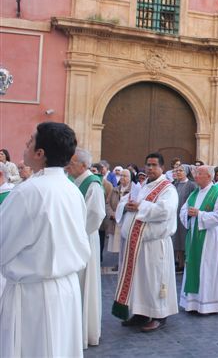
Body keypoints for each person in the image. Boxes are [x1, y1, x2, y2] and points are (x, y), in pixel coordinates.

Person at [0, 122, 91, 357]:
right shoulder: (71, 190)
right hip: (66, 290)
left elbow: (3, 244)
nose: (26, 144)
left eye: (30, 141)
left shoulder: (27, 192)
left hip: (32, 296)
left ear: (40, 154)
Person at [113, 152, 179, 332]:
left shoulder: (167, 189)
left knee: (155, 279)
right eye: (147, 165)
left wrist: (141, 206)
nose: (150, 168)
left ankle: (159, 315)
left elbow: (165, 211)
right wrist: (126, 206)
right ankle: (141, 312)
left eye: (154, 165)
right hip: (139, 243)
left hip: (155, 244)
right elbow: (128, 201)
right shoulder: (145, 186)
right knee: (141, 279)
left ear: (162, 168)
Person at [66, 148, 107, 348]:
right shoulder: (75, 181)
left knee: (85, 284)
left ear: (84, 165)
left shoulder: (93, 184)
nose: (68, 166)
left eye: (72, 163)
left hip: (84, 240)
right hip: (76, 238)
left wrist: (76, 235)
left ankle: (85, 332)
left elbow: (96, 215)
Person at [179, 165, 218, 314]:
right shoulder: (195, 192)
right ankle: (192, 303)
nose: (196, 175)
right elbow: (183, 210)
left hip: (209, 240)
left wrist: (200, 214)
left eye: (199, 173)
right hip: (194, 236)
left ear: (209, 176)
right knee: (194, 265)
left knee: (207, 268)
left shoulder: (217, 193)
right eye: (196, 173)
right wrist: (188, 214)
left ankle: (208, 304)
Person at [172, 164, 197, 273]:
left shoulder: (191, 185)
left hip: (185, 216)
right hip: (175, 216)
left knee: (183, 239)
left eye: (181, 170)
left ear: (186, 172)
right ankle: (179, 261)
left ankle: (184, 263)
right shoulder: (175, 184)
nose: (178, 172)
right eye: (176, 171)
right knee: (176, 239)